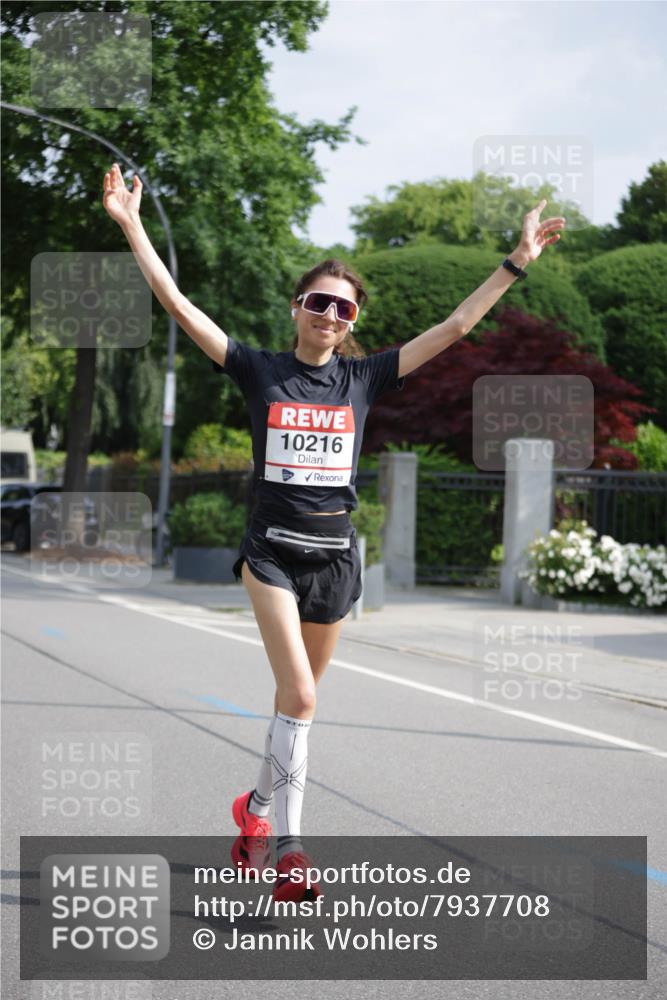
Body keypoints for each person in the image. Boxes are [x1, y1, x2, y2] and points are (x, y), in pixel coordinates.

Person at [103, 162, 565, 902]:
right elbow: (179, 304)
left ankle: (253, 811)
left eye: (343, 310)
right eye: (319, 302)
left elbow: (452, 328)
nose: (329, 316)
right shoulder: (258, 370)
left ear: (352, 323)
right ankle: (290, 851)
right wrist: (130, 224)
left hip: (335, 561)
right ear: (296, 307)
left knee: (297, 704)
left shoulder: (364, 379)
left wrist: (514, 264)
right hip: (272, 555)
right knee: (302, 699)